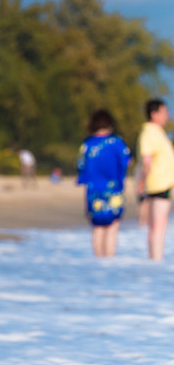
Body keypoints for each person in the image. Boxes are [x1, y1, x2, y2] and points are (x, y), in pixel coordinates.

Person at [76, 110, 131, 257]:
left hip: (93, 190)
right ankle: (109, 261)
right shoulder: (116, 142)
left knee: (97, 227)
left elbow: (81, 166)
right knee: (112, 227)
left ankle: (98, 262)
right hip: (114, 190)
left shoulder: (87, 144)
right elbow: (127, 161)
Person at [136, 99, 174, 260]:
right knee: (158, 225)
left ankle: (155, 260)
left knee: (156, 225)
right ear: (154, 114)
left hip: (161, 183)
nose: (168, 115)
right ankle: (156, 260)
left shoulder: (158, 132)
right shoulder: (149, 133)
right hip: (158, 184)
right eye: (164, 112)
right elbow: (146, 160)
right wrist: (142, 183)